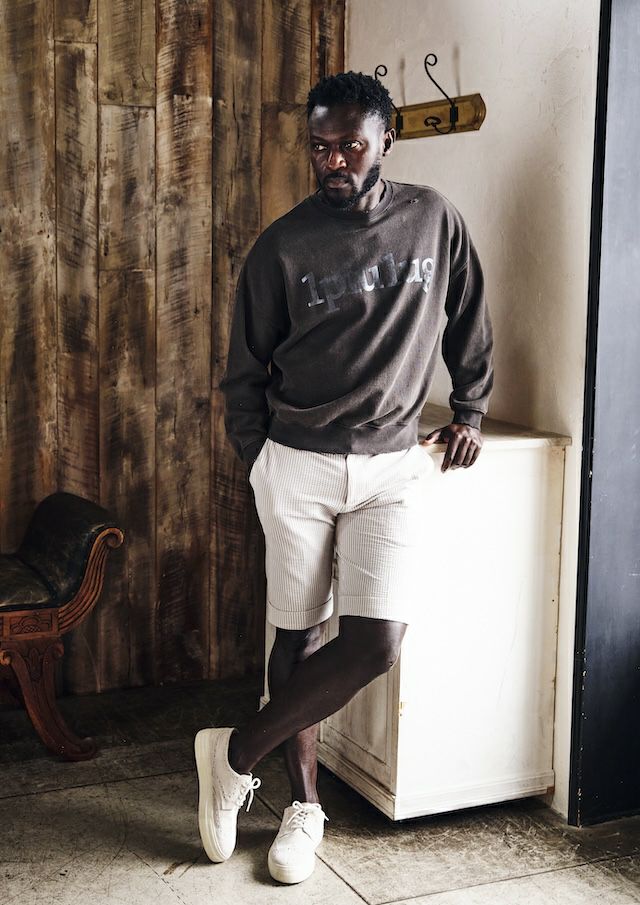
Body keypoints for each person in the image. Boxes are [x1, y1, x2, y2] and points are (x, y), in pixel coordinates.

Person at [194, 70, 494, 885]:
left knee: (376, 642)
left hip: (393, 464)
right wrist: (260, 460)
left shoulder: (433, 220)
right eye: (321, 146)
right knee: (295, 637)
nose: (334, 161)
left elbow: (469, 313)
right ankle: (303, 808)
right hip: (296, 464)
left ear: (385, 140)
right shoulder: (282, 246)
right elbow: (243, 372)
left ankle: (233, 754)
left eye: (351, 146)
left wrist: (471, 409)